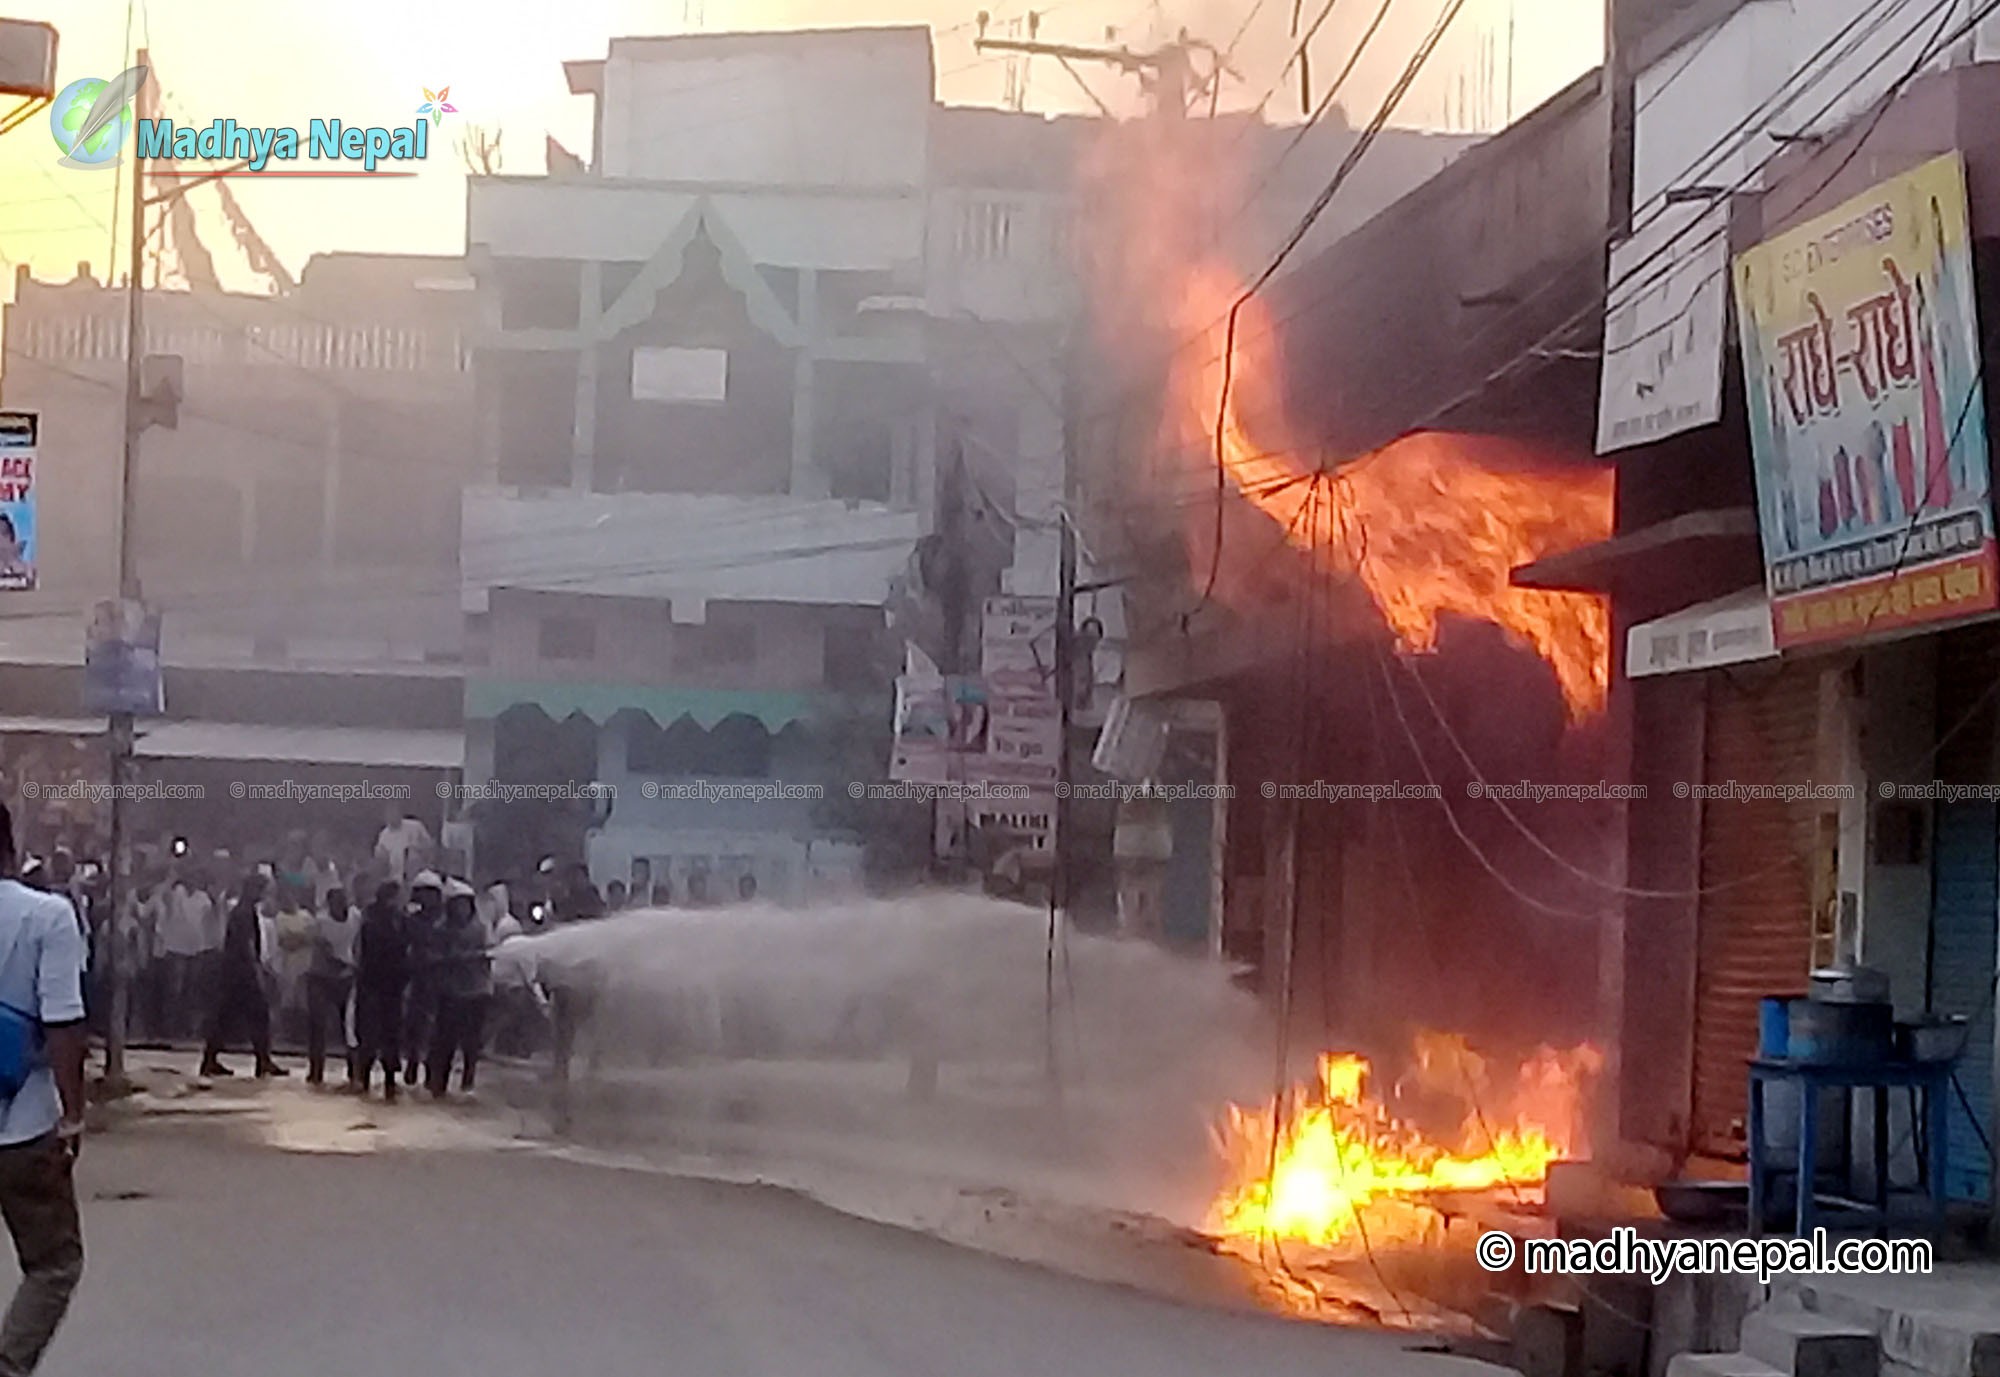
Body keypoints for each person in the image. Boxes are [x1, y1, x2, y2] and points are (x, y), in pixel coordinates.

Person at [0, 802, 88, 1373]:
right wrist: (73, 1115)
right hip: (23, 1126)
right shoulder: (48, 916)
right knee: (54, 1262)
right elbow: (63, 1022)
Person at [199, 873, 285, 1079]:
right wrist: (257, 970)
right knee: (257, 1015)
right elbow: (246, 946)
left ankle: (212, 1059)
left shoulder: (244, 911)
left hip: (235, 972)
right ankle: (261, 1060)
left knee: (227, 1017)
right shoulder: (243, 913)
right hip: (242, 972)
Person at [426, 880, 492, 1099]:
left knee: (471, 1042)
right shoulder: (440, 929)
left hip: (476, 992)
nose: (461, 910)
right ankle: (438, 1084)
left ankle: (468, 1080)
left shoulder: (480, 929)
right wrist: (452, 960)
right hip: (450, 993)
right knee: (445, 1040)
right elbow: (432, 958)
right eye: (457, 905)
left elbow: (487, 956)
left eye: (465, 905)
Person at [352, 881, 408, 1102]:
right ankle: (372, 1080)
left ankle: (385, 1082)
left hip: (388, 987)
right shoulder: (375, 923)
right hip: (376, 986)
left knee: (386, 1036)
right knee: (375, 1035)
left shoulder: (396, 922)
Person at [304, 886, 357, 1088]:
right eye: (337, 901)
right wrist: (346, 964)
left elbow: (359, 942)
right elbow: (324, 951)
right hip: (321, 977)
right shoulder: (321, 922)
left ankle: (355, 1071)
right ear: (330, 903)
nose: (341, 904)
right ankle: (316, 1070)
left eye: (344, 899)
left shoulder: (355, 917)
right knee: (318, 1025)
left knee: (350, 1027)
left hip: (347, 978)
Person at [399, 872, 445, 1087]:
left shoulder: (445, 922)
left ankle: (431, 1069)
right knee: (413, 1025)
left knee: (437, 1027)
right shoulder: (410, 921)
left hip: (441, 979)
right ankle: (413, 1062)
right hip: (416, 978)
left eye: (431, 894)